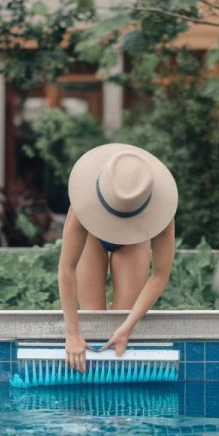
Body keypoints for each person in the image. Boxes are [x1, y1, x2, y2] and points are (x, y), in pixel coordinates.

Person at [58, 142, 178, 373]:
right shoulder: (83, 207)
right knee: (93, 321)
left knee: (118, 325)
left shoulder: (162, 213)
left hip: (134, 241)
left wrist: (127, 328)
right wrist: (72, 335)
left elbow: (161, 275)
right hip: (92, 236)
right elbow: (66, 269)